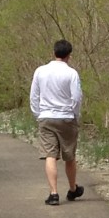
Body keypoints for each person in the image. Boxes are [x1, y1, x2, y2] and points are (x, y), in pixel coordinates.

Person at [30, 39, 83, 206]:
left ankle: (53, 193)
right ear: (69, 55)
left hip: (46, 117)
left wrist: (38, 114)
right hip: (66, 117)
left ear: (54, 53)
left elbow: (34, 96)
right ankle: (73, 188)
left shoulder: (40, 71)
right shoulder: (71, 73)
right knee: (69, 156)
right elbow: (76, 97)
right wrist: (74, 114)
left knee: (50, 155)